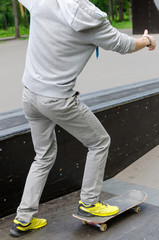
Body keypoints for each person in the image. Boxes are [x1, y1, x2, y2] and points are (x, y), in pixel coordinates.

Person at [10, 0, 156, 237]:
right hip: (58, 99)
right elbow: (124, 45)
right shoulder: (94, 19)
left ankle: (23, 218)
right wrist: (147, 40)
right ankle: (89, 202)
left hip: (30, 95)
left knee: (43, 155)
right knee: (99, 142)